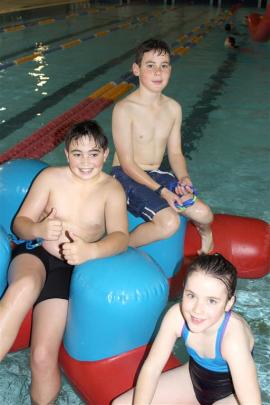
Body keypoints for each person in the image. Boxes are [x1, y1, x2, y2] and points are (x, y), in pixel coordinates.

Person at [0, 120, 129, 405]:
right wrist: (38, 229)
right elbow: (20, 224)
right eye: (77, 153)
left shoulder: (111, 190)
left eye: (93, 153)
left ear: (105, 154)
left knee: (43, 356)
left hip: (67, 270)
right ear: (66, 154)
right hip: (35, 253)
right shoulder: (50, 178)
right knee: (24, 285)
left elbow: (121, 237)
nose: (85, 162)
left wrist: (90, 252)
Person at [113, 254, 261, 405]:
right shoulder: (176, 317)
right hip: (193, 379)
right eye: (191, 295)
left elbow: (252, 402)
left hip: (231, 396)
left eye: (211, 301)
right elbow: (152, 367)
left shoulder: (232, 338)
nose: (197, 310)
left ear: (229, 303)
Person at [111, 38, 213, 254]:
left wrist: (184, 177)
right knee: (169, 223)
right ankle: (118, 248)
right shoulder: (124, 109)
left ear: (170, 70)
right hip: (125, 176)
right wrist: (162, 191)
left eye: (164, 66)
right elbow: (127, 164)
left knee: (205, 214)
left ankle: (207, 236)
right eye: (150, 65)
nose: (158, 72)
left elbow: (175, 153)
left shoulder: (173, 108)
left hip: (155, 173)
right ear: (136, 70)